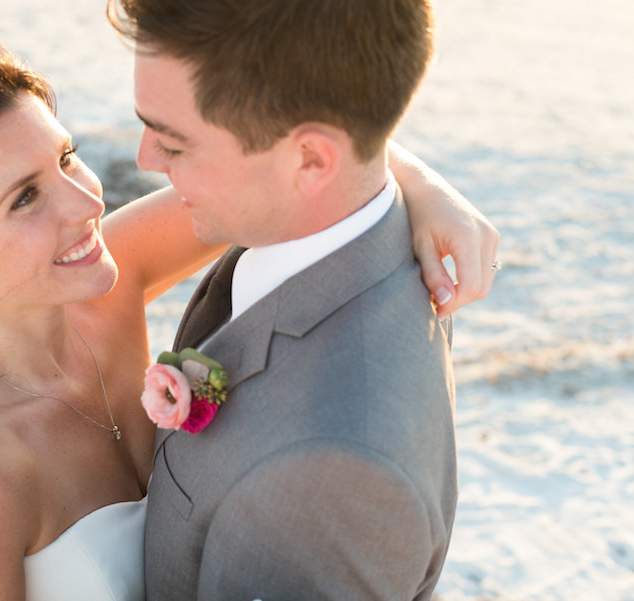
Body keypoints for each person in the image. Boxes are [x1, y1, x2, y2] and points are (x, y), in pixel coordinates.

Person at [0, 40, 494, 601]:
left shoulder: (101, 284)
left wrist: (426, 189)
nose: (84, 203)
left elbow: (281, 168)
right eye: (26, 197)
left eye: (65, 158)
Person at [107, 0, 495, 599]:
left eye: (175, 142)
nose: (144, 159)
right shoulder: (351, 222)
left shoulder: (334, 476)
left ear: (310, 158)